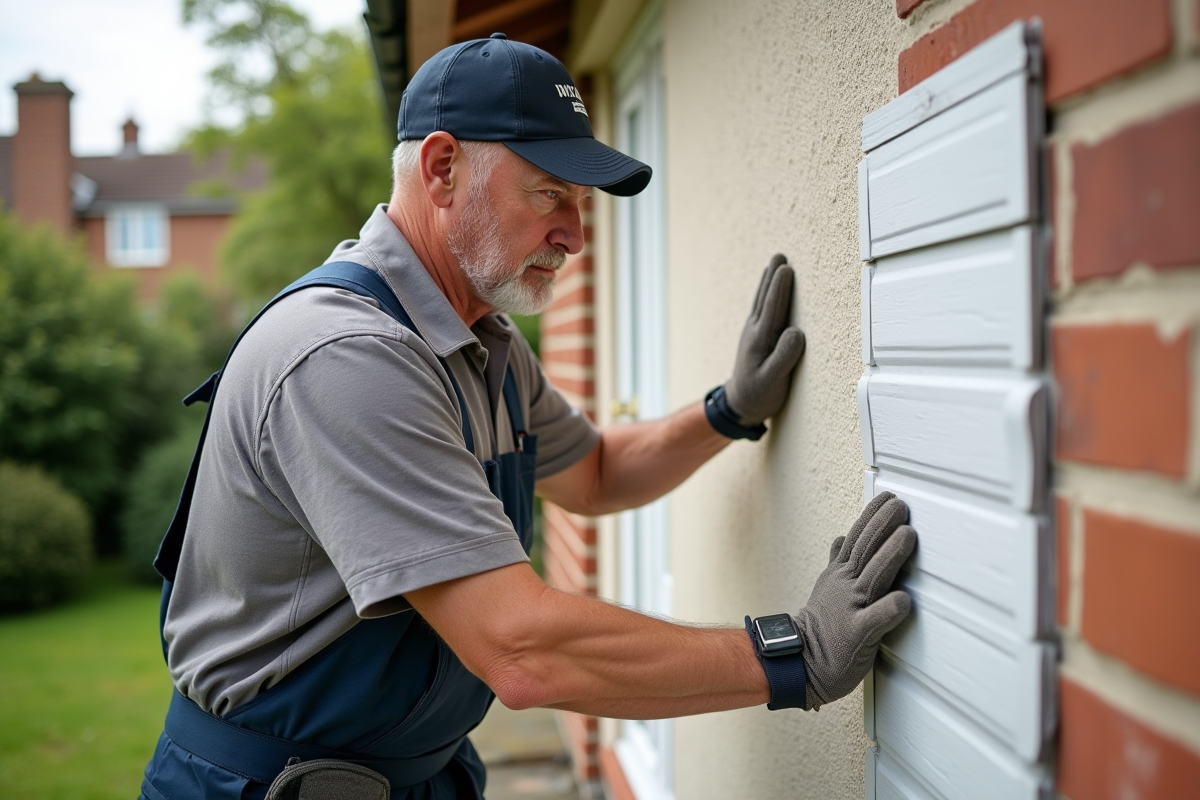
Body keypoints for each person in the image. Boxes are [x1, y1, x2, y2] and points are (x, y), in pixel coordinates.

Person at [139, 34, 916, 800]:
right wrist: (795, 653)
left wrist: (728, 411)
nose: (575, 236)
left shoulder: (482, 339)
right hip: (261, 786)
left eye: (580, 205)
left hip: (416, 774)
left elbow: (597, 473)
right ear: (443, 169)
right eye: (550, 194)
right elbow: (520, 648)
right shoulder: (345, 355)